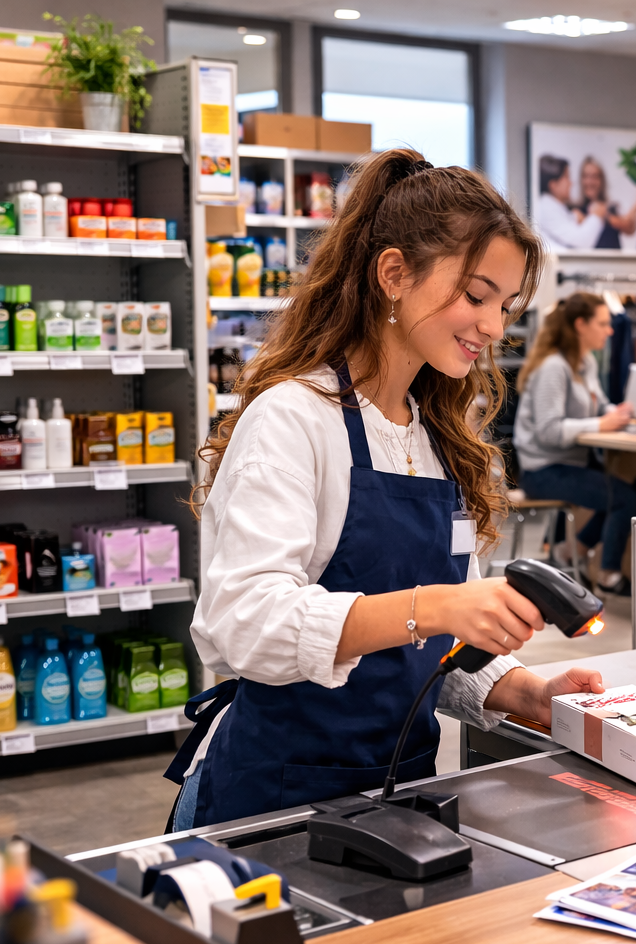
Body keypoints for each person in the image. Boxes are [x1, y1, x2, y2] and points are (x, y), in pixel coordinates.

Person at [165, 149, 605, 830]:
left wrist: (529, 691)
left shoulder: (436, 439)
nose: (494, 326)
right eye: (476, 295)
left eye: (506, 305)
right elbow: (245, 622)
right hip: (277, 800)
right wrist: (436, 606)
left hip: (397, 800)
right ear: (394, 274)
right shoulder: (294, 417)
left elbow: (434, 657)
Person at [514, 292, 636, 596]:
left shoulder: (583, 362)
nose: (610, 331)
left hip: (570, 464)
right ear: (580, 324)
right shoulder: (553, 368)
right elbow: (548, 431)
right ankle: (608, 575)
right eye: (602, 324)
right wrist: (600, 424)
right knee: (624, 498)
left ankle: (570, 551)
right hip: (542, 471)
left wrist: (620, 414)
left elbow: (599, 406)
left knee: (635, 490)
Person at [536, 154, 605, 252]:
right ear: (553, 185)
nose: (571, 183)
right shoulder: (546, 207)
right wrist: (596, 216)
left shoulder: (553, 206)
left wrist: (574, 217)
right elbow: (582, 241)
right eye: (567, 177)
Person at [577, 156, 636, 250]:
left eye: (595, 176)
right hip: (588, 262)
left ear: (602, 180)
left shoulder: (612, 207)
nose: (590, 181)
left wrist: (604, 215)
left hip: (613, 262)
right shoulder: (575, 209)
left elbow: (630, 228)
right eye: (586, 176)